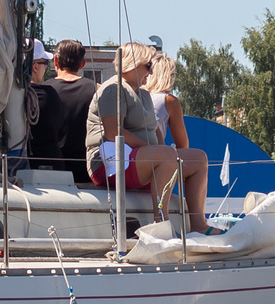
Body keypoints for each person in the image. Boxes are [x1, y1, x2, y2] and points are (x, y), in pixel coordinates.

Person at [89, 43, 208, 234]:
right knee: (166, 155)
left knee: (199, 159)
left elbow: (154, 130)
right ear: (132, 65)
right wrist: (157, 151)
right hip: (109, 163)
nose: (151, 72)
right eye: (148, 66)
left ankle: (199, 225)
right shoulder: (113, 89)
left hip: (139, 159)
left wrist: (161, 149)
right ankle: (160, 223)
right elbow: (113, 133)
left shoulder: (143, 94)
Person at [26, 40, 97, 177]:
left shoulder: (43, 93)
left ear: (56, 61)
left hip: (51, 169)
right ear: (82, 64)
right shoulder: (96, 90)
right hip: (86, 169)